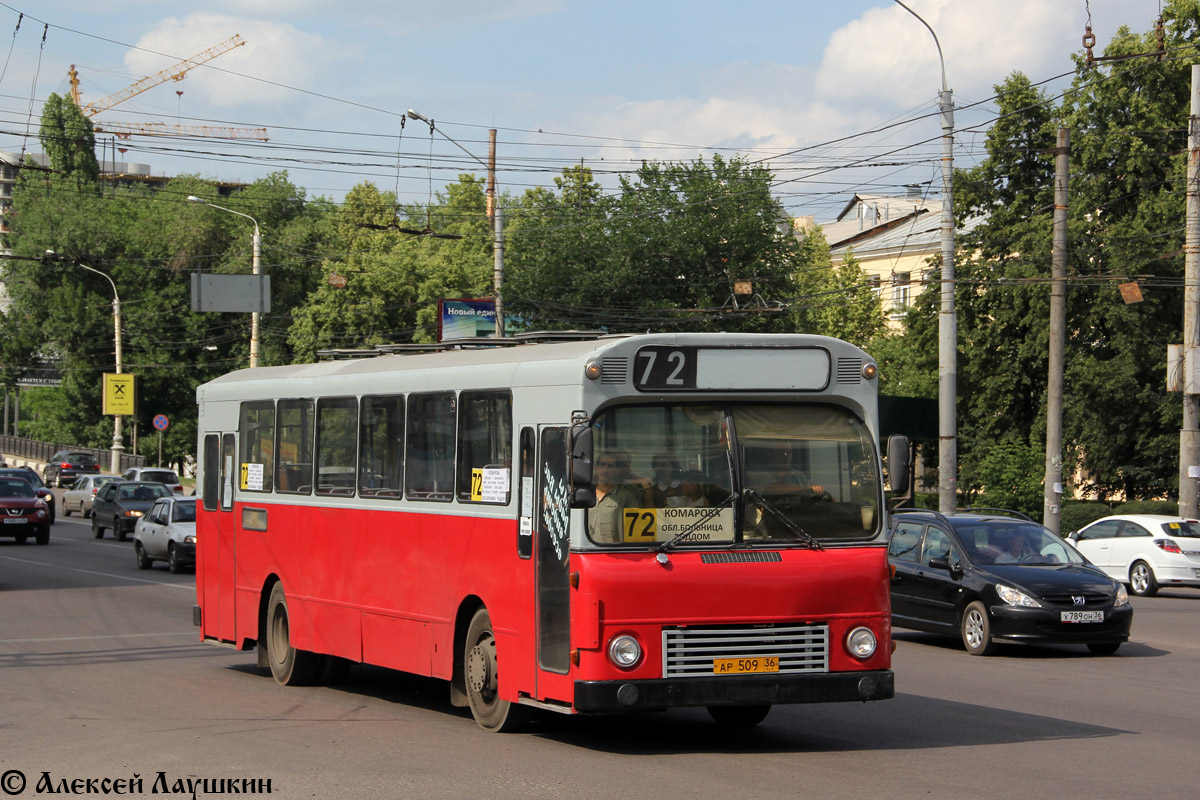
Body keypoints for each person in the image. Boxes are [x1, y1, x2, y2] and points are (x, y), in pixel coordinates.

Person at [588, 452, 645, 544]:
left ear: (617, 471)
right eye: (602, 465)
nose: (605, 470)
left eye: (610, 466)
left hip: (615, 551)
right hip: (587, 550)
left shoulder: (626, 496)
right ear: (596, 468)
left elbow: (637, 529)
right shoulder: (586, 494)